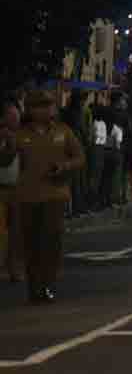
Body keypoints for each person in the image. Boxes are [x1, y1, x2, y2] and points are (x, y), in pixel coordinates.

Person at [11, 90, 85, 302]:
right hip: (28, 196)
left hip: (55, 194)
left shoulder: (63, 132)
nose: (47, 109)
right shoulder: (20, 134)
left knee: (52, 243)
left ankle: (48, 284)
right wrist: (6, 143)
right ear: (31, 110)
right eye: (41, 106)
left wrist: (64, 166)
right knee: (31, 244)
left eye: (49, 105)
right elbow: (6, 160)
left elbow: (80, 157)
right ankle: (35, 287)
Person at [0, 98, 25, 282]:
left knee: (16, 233)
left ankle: (13, 268)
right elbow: (5, 160)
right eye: (12, 116)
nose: (16, 119)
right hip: (2, 188)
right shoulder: (4, 136)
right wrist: (12, 146)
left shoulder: (20, 136)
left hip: (17, 189)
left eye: (17, 116)